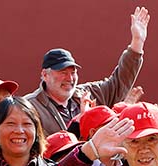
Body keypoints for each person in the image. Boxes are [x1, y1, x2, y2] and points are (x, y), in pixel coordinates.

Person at [24, 7, 150, 136]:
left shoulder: (87, 94)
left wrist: (137, 43)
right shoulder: (29, 107)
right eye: (63, 72)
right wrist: (80, 122)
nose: (70, 78)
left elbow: (119, 82)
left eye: (73, 72)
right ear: (45, 75)